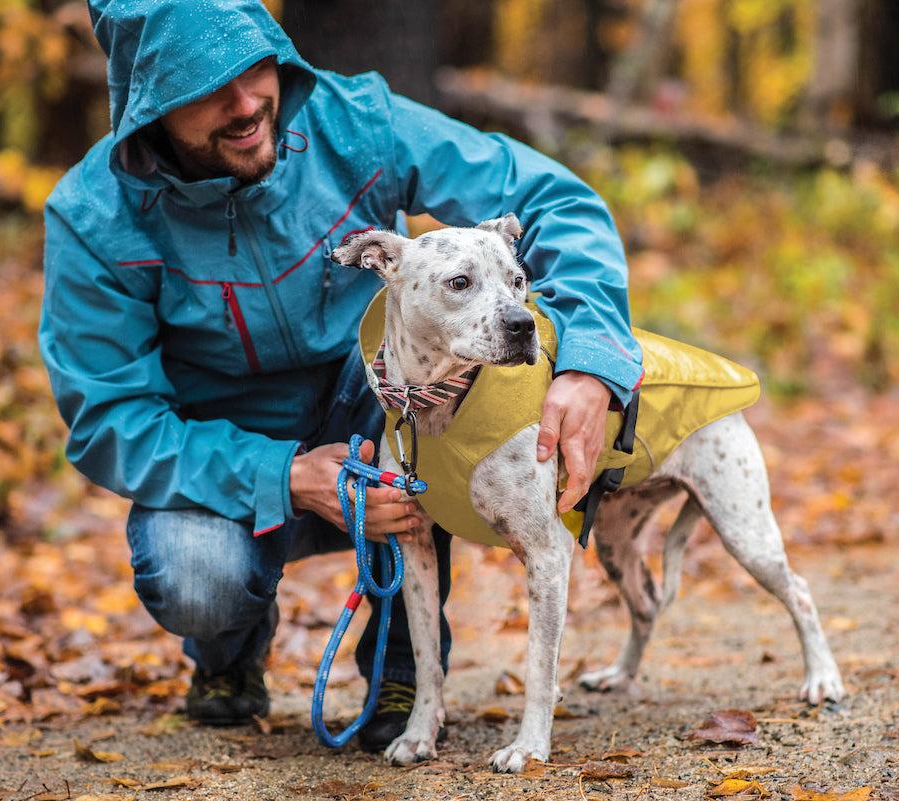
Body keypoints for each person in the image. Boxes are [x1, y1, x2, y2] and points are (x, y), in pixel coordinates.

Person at [38, 0, 644, 752]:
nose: (246, 102)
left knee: (427, 413)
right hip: (223, 442)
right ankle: (229, 652)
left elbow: (555, 198)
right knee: (195, 577)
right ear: (149, 103)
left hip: (375, 398)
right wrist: (284, 474)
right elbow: (111, 419)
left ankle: (401, 670)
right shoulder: (93, 216)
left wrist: (592, 365)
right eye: (205, 86)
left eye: (254, 65)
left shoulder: (354, 120)